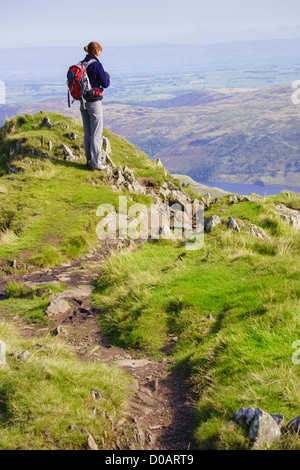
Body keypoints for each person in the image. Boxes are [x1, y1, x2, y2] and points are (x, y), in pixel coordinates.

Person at [80, 41, 110, 170]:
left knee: (88, 133)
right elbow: (105, 83)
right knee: (96, 134)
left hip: (83, 101)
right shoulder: (96, 65)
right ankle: (96, 163)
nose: (99, 54)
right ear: (96, 51)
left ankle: (89, 160)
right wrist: (107, 77)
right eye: (99, 51)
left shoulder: (81, 64)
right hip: (94, 101)